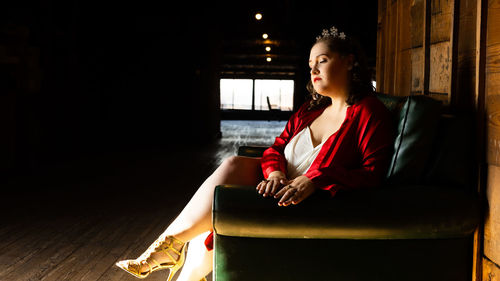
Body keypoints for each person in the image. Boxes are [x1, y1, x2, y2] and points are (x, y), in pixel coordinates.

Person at [115, 26, 394, 281]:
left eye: (322, 60)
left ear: (349, 61)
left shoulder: (368, 111)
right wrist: (274, 172)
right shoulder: (310, 111)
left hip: (308, 204)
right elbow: (275, 149)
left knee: (223, 200)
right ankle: (171, 247)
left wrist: (315, 180)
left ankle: (169, 247)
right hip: (276, 188)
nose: (313, 70)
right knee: (225, 188)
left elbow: (373, 174)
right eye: (310, 65)